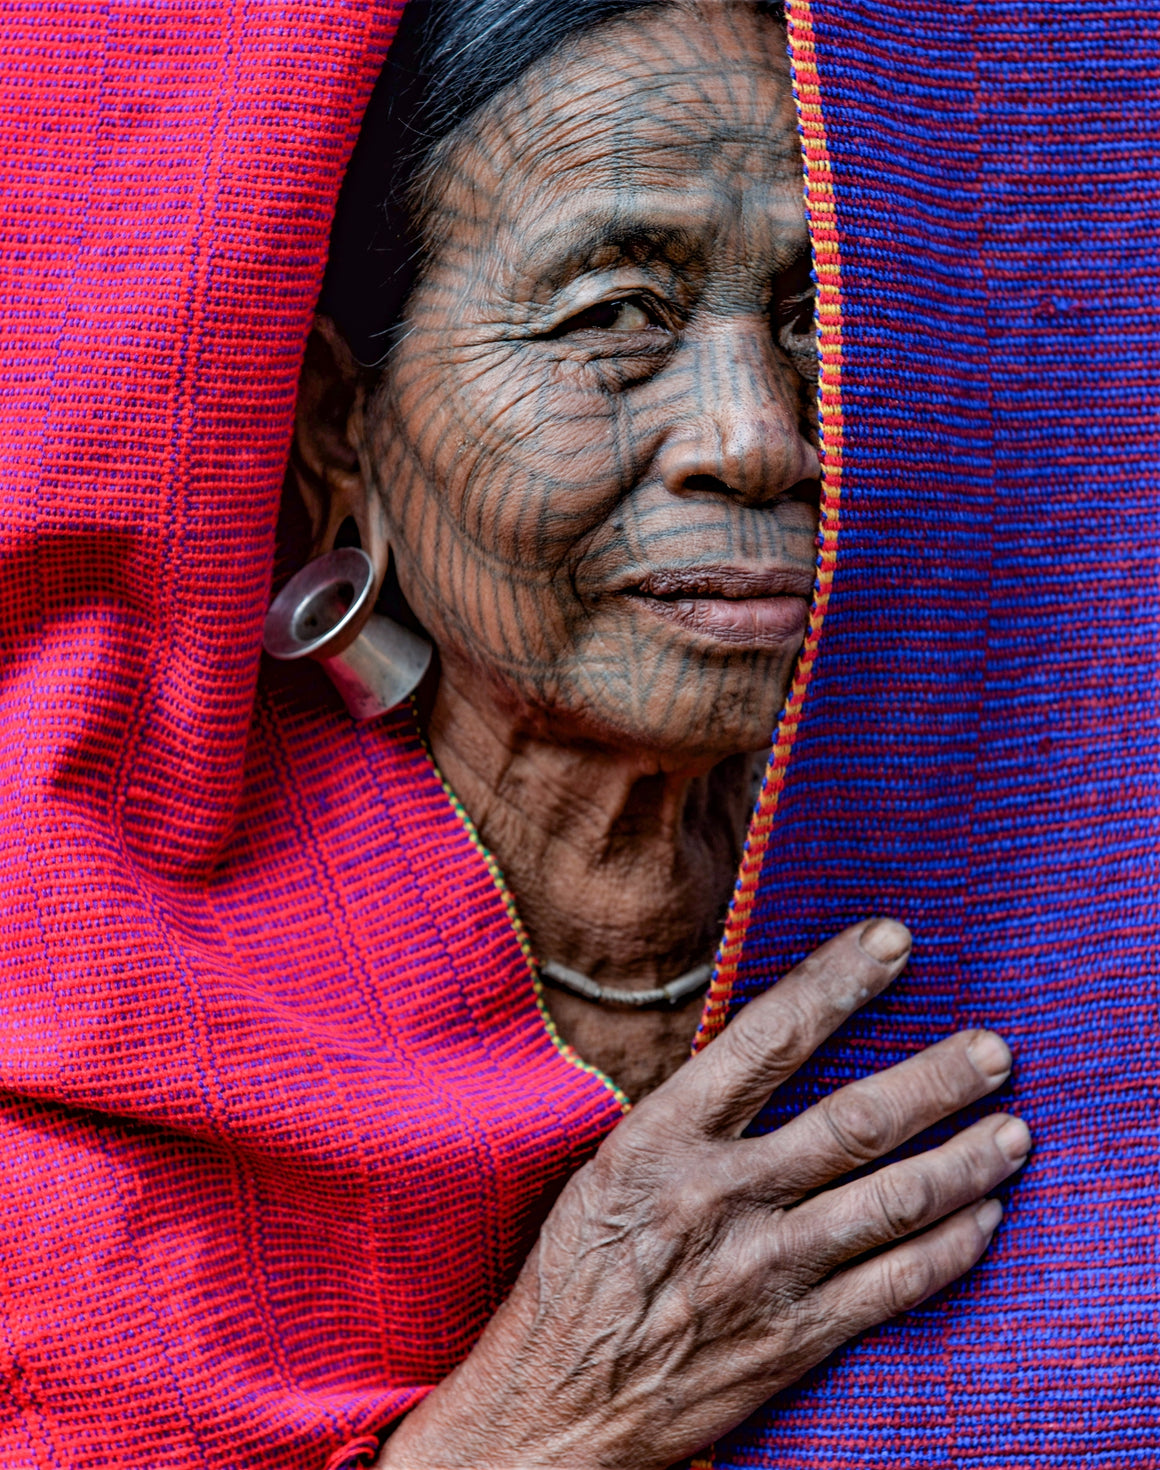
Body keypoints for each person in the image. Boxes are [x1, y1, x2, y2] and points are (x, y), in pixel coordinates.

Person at [0, 1, 1046, 1467]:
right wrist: (533, 1429)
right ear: (334, 425)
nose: (760, 437)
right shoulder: (93, 1028)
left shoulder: (1030, 890)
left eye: (824, 315)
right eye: (615, 313)